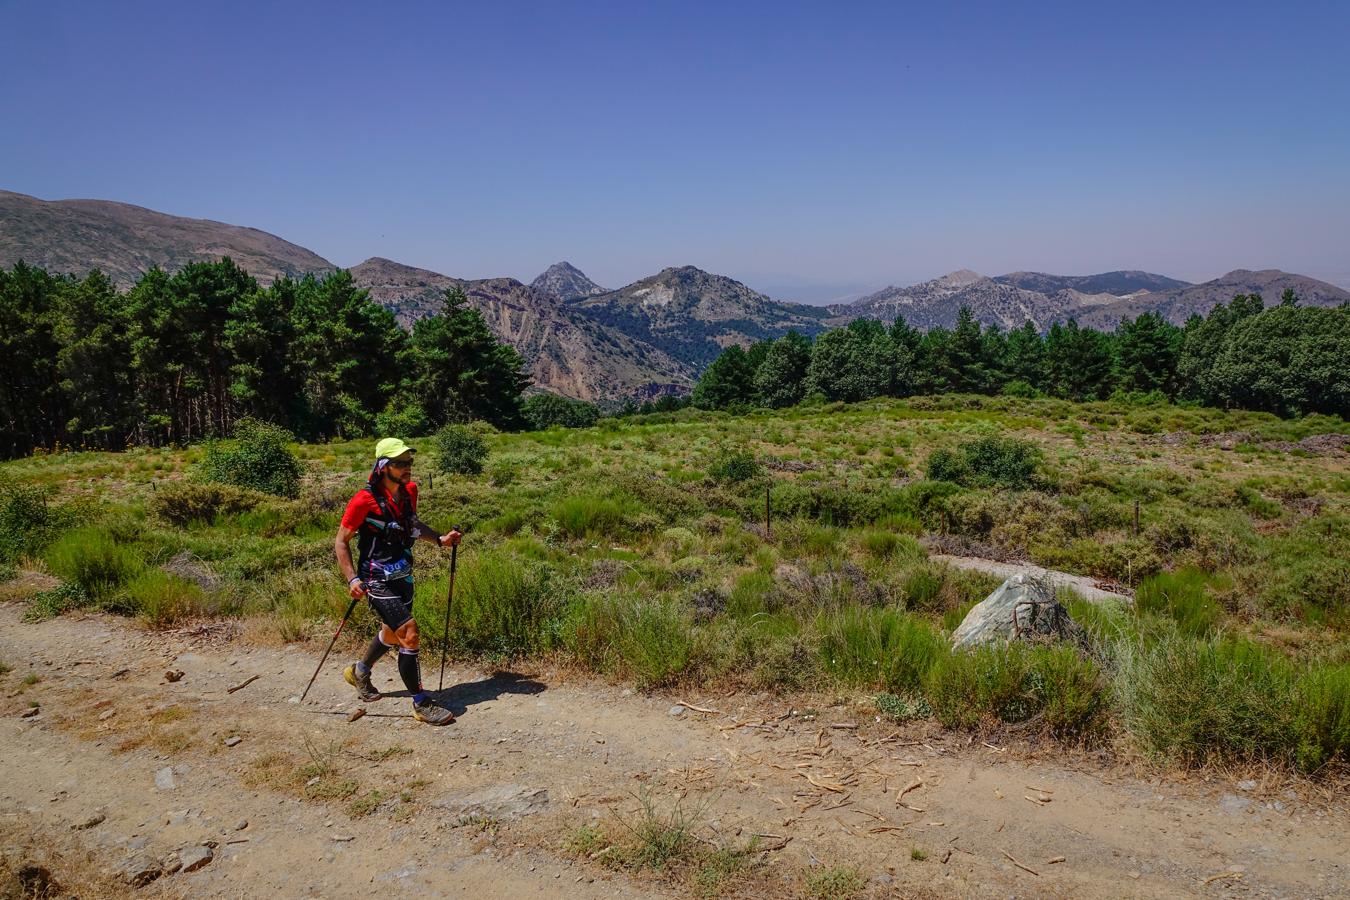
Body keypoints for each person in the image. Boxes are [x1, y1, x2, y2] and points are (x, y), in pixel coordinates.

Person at [334, 438, 461, 725]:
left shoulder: (409, 491)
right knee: (409, 633)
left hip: (403, 573)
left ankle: (359, 671)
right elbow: (341, 542)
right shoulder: (363, 500)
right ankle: (421, 702)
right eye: (399, 463)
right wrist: (352, 578)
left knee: (392, 634)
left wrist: (440, 539)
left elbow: (412, 525)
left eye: (409, 463)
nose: (407, 468)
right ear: (382, 467)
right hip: (374, 578)